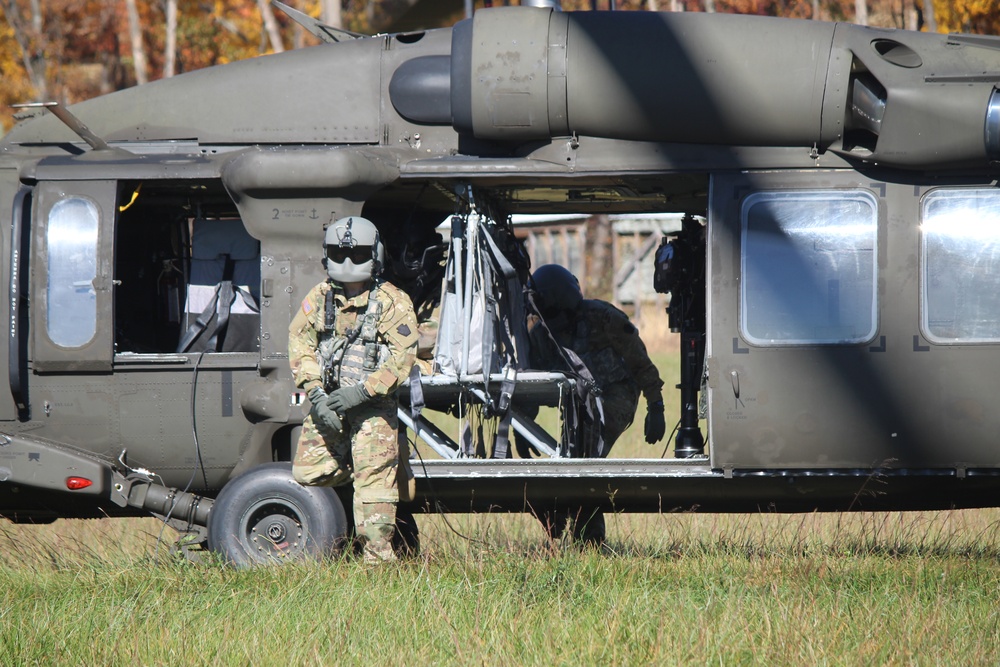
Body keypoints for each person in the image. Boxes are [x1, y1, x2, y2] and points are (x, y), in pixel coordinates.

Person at [289, 216, 419, 564]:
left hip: (373, 408)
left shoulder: (392, 302)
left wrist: (362, 392)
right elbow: (300, 344)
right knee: (307, 471)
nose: (347, 263)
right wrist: (316, 397)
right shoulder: (319, 298)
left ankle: (378, 560)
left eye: (358, 255)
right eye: (339, 254)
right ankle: (375, 467)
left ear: (375, 255)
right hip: (330, 405)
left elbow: (403, 358)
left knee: (374, 487)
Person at [524, 264, 666, 546]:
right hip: (576, 405)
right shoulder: (542, 334)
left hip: (616, 394)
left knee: (586, 456)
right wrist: (523, 423)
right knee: (571, 459)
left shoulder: (603, 317)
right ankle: (565, 518)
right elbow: (534, 379)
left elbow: (639, 361)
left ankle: (587, 535)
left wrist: (656, 406)